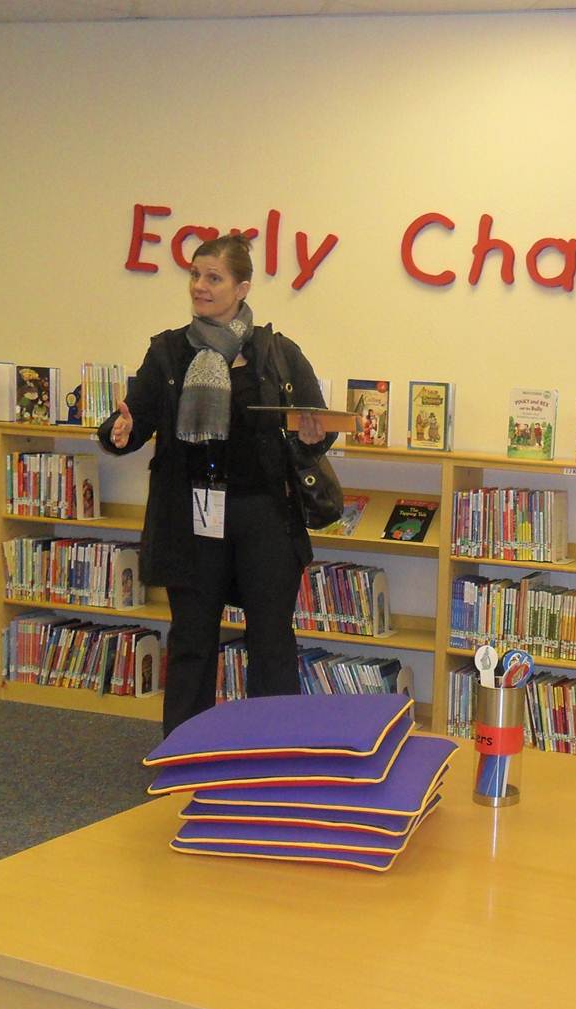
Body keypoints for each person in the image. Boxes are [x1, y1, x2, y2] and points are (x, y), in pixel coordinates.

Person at [99, 233, 334, 735]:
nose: (199, 286)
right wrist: (118, 431)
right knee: (191, 638)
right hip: (191, 514)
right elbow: (134, 420)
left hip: (263, 515)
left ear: (242, 287)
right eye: (194, 275)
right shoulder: (168, 351)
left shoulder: (278, 353)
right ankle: (187, 751)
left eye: (213, 277)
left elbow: (316, 424)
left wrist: (316, 432)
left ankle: (273, 751)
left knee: (270, 639)